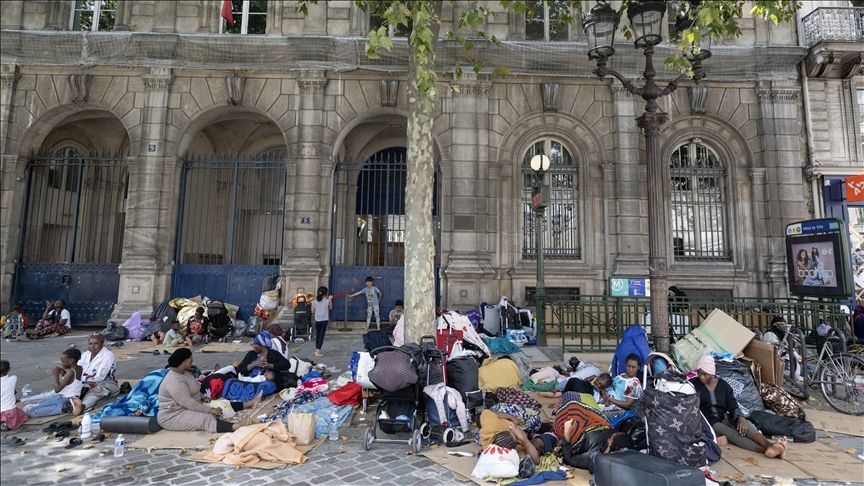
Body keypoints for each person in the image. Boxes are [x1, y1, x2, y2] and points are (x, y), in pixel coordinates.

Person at [690, 355, 786, 458]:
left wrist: (740, 417)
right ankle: (765, 450)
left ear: (712, 373)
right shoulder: (693, 384)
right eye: (699, 373)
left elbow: (732, 403)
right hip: (709, 422)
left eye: (705, 374)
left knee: (746, 426)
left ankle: (770, 445)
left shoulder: (723, 385)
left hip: (724, 417)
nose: (701, 377)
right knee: (732, 434)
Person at [157, 348, 261, 433]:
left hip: (187, 407)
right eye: (191, 360)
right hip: (173, 415)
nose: (192, 362)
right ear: (185, 362)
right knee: (206, 418)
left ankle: (250, 404)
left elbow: (194, 388)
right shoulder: (174, 381)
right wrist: (209, 410)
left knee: (221, 405)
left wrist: (202, 396)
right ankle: (235, 427)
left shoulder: (183, 372)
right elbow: (189, 403)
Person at [554, 392, 618, 472]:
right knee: (573, 403)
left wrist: (567, 433)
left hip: (584, 422)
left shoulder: (594, 457)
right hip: (594, 419)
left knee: (571, 404)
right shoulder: (597, 455)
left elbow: (569, 459)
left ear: (610, 443)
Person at [21, 348, 83, 418]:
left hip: (63, 398)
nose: (61, 363)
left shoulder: (71, 372)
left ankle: (66, 407)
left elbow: (57, 390)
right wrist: (64, 374)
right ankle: (69, 405)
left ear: (71, 360)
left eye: (63, 361)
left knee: (31, 411)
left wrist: (55, 375)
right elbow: (72, 382)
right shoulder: (79, 368)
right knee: (38, 403)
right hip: (70, 397)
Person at [72, 334, 118, 413]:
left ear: (102, 343)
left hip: (105, 383)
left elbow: (100, 376)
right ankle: (72, 404)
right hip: (85, 382)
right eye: (90, 344)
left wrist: (85, 382)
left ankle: (82, 406)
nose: (93, 346)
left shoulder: (108, 355)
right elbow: (77, 369)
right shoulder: (85, 355)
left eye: (96, 344)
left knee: (94, 393)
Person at [1, 360, 28, 430]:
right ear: (9, 369)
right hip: (11, 412)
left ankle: (3, 422)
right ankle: (6, 423)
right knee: (22, 414)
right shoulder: (13, 378)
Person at [311, 286, 332, 357]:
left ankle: (317, 349)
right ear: (325, 293)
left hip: (317, 320)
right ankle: (317, 351)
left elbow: (312, 311)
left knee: (318, 335)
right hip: (324, 320)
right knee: (321, 336)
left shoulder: (314, 301)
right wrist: (330, 300)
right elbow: (330, 308)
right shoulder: (327, 301)